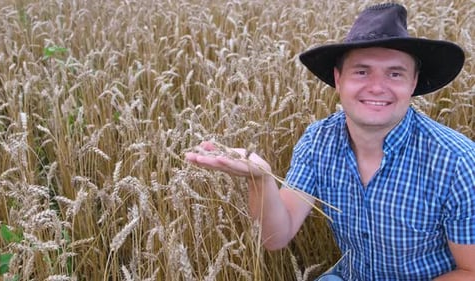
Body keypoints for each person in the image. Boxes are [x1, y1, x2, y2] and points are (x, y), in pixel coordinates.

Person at [185, 3, 475, 280]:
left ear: (413, 83)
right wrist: (260, 180)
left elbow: (471, 271)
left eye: (395, 74)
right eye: (361, 71)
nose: (377, 86)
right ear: (338, 79)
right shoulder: (318, 141)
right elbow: (276, 237)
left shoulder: (457, 162)